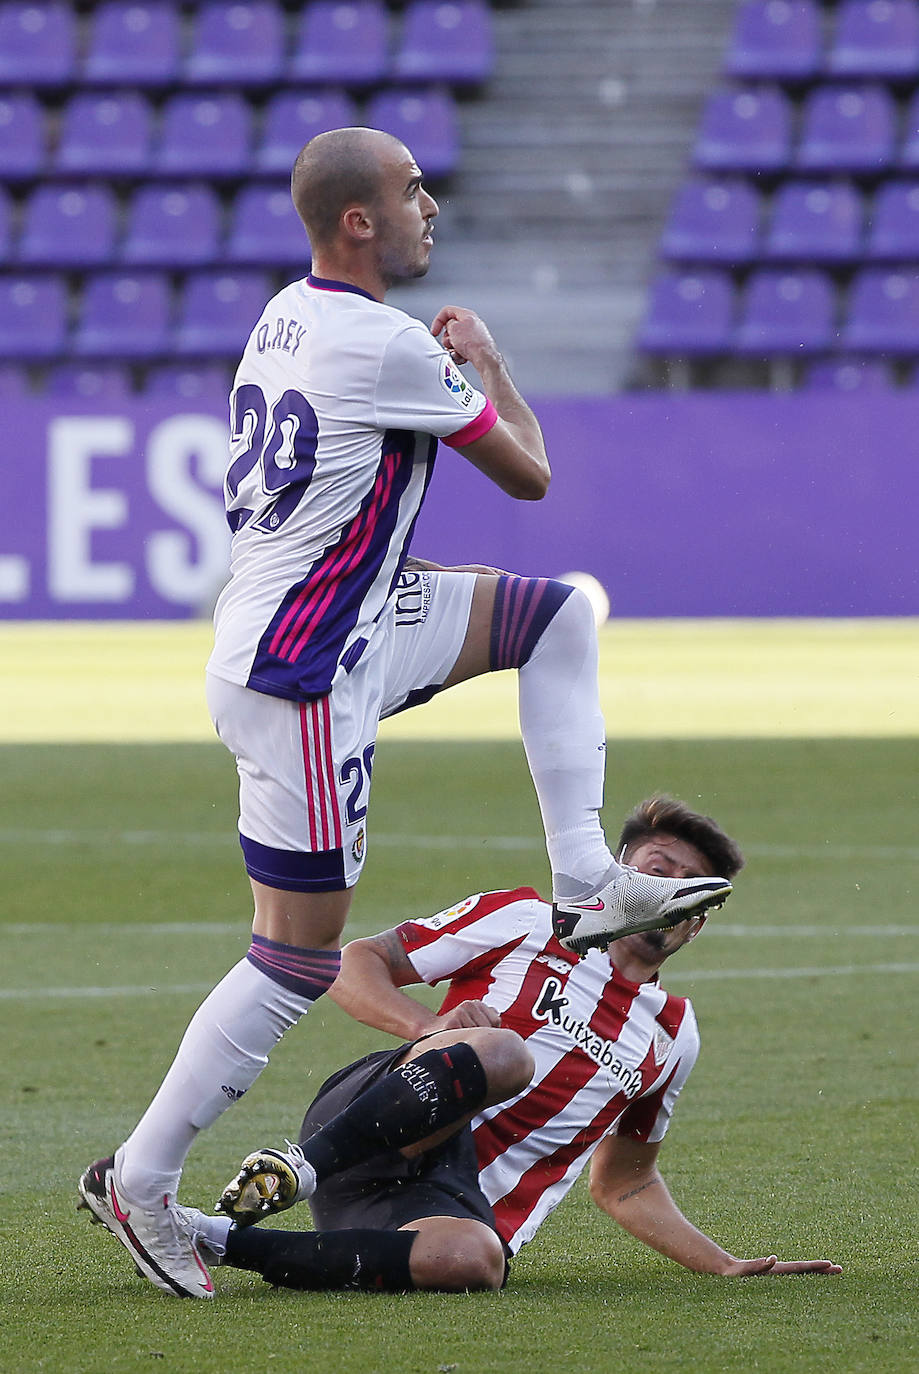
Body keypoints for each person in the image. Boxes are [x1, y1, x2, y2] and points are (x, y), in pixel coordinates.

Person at [77, 128, 732, 1298]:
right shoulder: (380, 342)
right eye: (412, 191)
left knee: (555, 617)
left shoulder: (289, 311)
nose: (432, 205)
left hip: (352, 618)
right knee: (294, 955)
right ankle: (143, 1181)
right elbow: (528, 474)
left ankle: (585, 880)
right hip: (310, 668)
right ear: (360, 224)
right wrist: (490, 365)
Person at [175, 797, 840, 1292]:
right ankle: (298, 1167)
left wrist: (719, 1262)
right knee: (502, 1054)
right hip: (378, 1121)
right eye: (655, 871)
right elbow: (354, 962)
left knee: (476, 1263)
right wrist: (424, 1027)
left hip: (430, 1207)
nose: (662, 896)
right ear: (616, 871)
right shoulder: (528, 920)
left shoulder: (671, 1035)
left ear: (692, 925)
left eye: (682, 892)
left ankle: (216, 1237)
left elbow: (626, 1184)